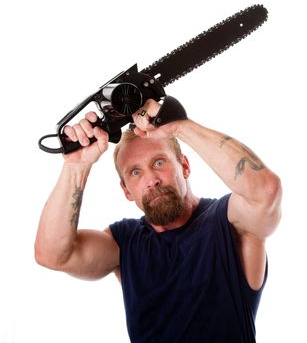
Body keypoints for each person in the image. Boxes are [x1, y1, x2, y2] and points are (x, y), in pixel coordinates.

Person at [35, 98, 282, 342]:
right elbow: (53, 254)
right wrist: (76, 166)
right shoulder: (125, 243)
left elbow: (265, 192)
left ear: (184, 167)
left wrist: (179, 126)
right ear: (126, 190)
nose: (151, 179)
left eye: (159, 162)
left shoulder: (229, 223)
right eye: (135, 172)